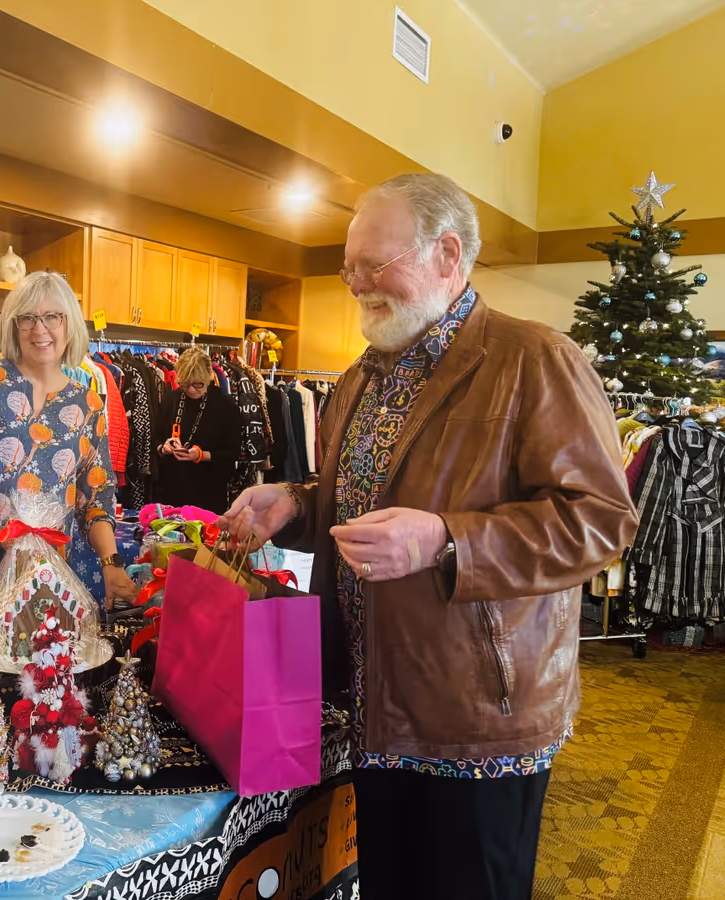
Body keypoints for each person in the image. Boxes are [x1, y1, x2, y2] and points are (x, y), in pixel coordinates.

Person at [219, 173, 637, 900]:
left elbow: (599, 520)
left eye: (371, 266)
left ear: (448, 254)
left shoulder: (533, 359)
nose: (354, 286)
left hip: (475, 722)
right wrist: (295, 501)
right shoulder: (361, 377)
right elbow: (366, 504)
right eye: (348, 269)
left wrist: (447, 541)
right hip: (377, 704)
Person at [0, 272, 138, 624]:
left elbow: (96, 499)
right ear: (14, 326)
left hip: (44, 588)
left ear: (69, 324)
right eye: (28, 318)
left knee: (37, 675)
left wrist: (111, 564)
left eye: (53, 317)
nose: (40, 329)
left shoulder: (88, 404)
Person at [154, 347, 242, 513]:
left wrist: (200, 455)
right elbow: (156, 439)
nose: (192, 389)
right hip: (172, 491)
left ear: (209, 375)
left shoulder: (225, 405)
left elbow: (233, 453)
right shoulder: (172, 399)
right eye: (186, 384)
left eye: (198, 383)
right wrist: (163, 448)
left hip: (208, 495)